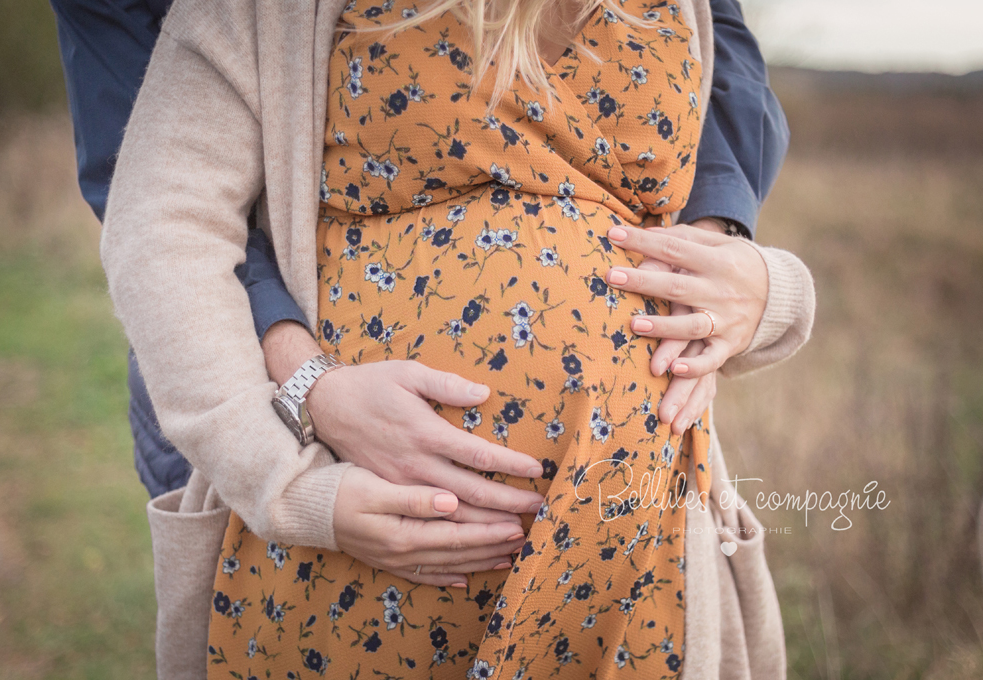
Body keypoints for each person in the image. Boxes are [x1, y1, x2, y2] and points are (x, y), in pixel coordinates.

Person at [98, 0, 815, 678]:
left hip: (621, 558)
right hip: (355, 557)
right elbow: (166, 220)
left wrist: (762, 288)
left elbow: (728, 131)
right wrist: (287, 481)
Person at [49, 0, 789, 501]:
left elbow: (721, 60)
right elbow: (156, 191)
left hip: (621, 534)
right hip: (279, 416)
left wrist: (723, 255)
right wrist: (302, 399)